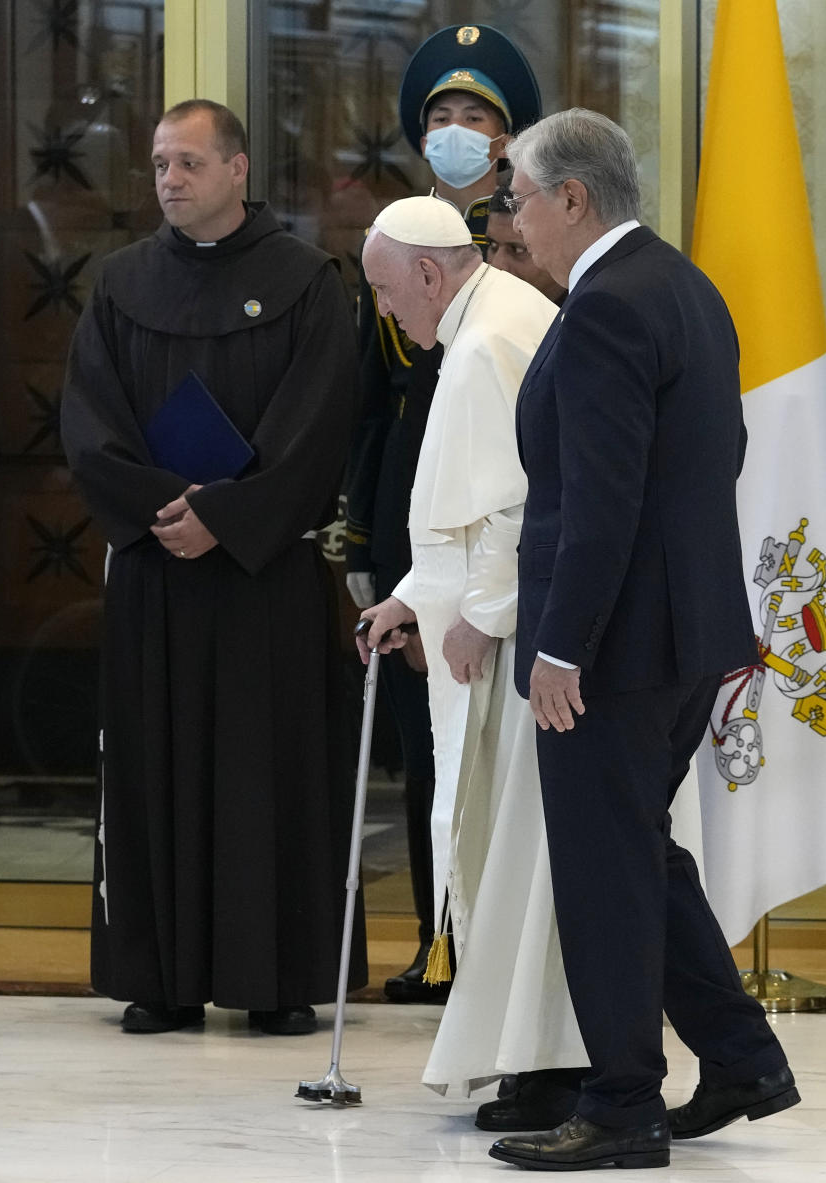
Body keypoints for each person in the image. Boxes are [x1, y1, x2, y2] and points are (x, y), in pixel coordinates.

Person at [488, 109, 800, 1172]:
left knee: (604, 871)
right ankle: (744, 1057)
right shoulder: (683, 285)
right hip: (687, 632)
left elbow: (601, 499)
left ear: (572, 198)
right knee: (642, 857)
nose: (510, 217)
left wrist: (562, 646)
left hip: (613, 649)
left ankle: (624, 1106)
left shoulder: (608, 306)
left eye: (517, 196)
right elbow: (721, 451)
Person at [61, 99, 366, 1036]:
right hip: (156, 572)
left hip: (261, 578)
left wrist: (227, 517)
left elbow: (319, 427)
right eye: (158, 165)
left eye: (188, 163)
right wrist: (169, 516)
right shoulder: (118, 285)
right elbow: (90, 423)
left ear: (238, 171)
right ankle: (163, 978)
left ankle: (276, 979)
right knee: (156, 769)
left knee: (266, 775)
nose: (167, 181)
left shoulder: (308, 282)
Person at [356, 195, 588, 1106]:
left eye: (383, 289)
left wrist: (478, 614)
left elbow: (517, 505)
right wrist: (412, 597)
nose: (383, 310)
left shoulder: (489, 339)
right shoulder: (488, 316)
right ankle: (522, 1058)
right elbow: (464, 513)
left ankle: (540, 1067)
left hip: (507, 646)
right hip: (488, 631)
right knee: (498, 856)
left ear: (425, 272)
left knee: (507, 855)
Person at [344, 24, 541, 1002]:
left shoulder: (529, 240)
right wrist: (377, 558)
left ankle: (493, 957)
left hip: (494, 525)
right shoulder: (401, 233)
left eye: (477, 118)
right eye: (442, 118)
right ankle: (439, 938)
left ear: (510, 137)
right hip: (419, 512)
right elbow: (375, 409)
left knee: (493, 755)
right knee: (430, 750)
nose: (457, 134)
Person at [486, 184, 565, 304]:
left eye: (517, 250)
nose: (497, 265)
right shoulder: (476, 309)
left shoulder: (593, 317)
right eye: (493, 246)